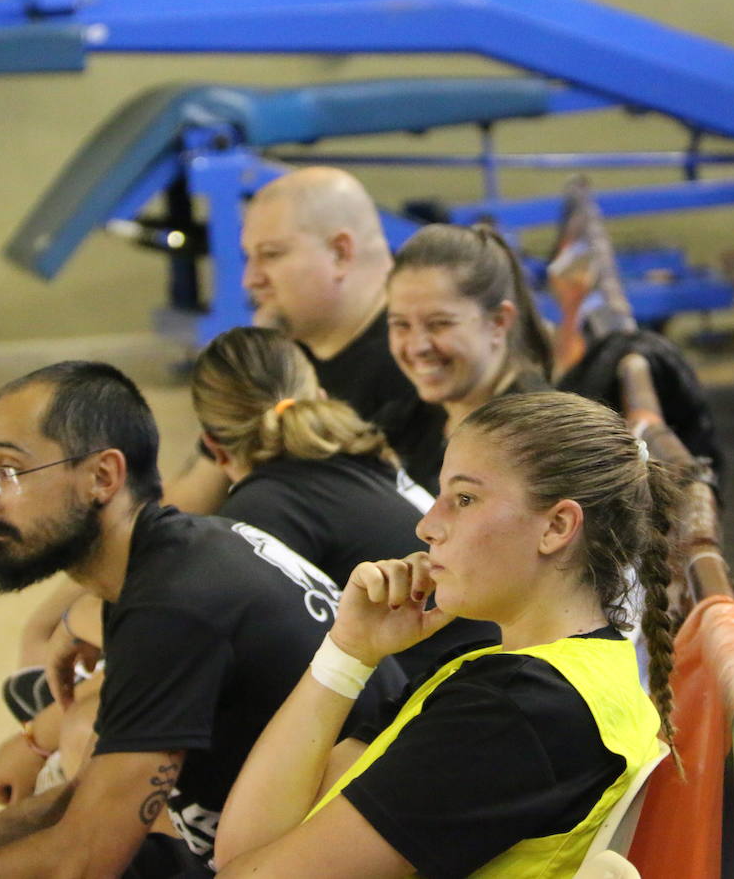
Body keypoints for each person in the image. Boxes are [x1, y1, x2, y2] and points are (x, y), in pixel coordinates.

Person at [0, 361, 398, 878]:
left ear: (102, 477)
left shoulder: (174, 606)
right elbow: (95, 796)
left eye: (7, 472)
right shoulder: (177, 552)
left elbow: (82, 860)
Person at [211, 390, 681, 878]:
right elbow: (243, 852)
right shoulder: (507, 673)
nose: (427, 525)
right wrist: (348, 652)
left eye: (464, 498)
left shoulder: (516, 712)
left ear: (557, 525)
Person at [192, 325, 499, 676]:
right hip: (492, 673)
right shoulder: (371, 457)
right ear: (320, 398)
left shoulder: (258, 512)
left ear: (214, 447)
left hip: (445, 693)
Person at [167, 166, 415, 514]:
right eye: (248, 258)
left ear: (340, 253)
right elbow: (190, 501)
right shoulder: (279, 359)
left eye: (271, 254)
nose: (250, 280)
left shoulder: (418, 367)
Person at [376, 223, 555, 492]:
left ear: (498, 322)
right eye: (401, 325)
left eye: (439, 324)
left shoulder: (535, 443)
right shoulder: (407, 421)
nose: (416, 347)